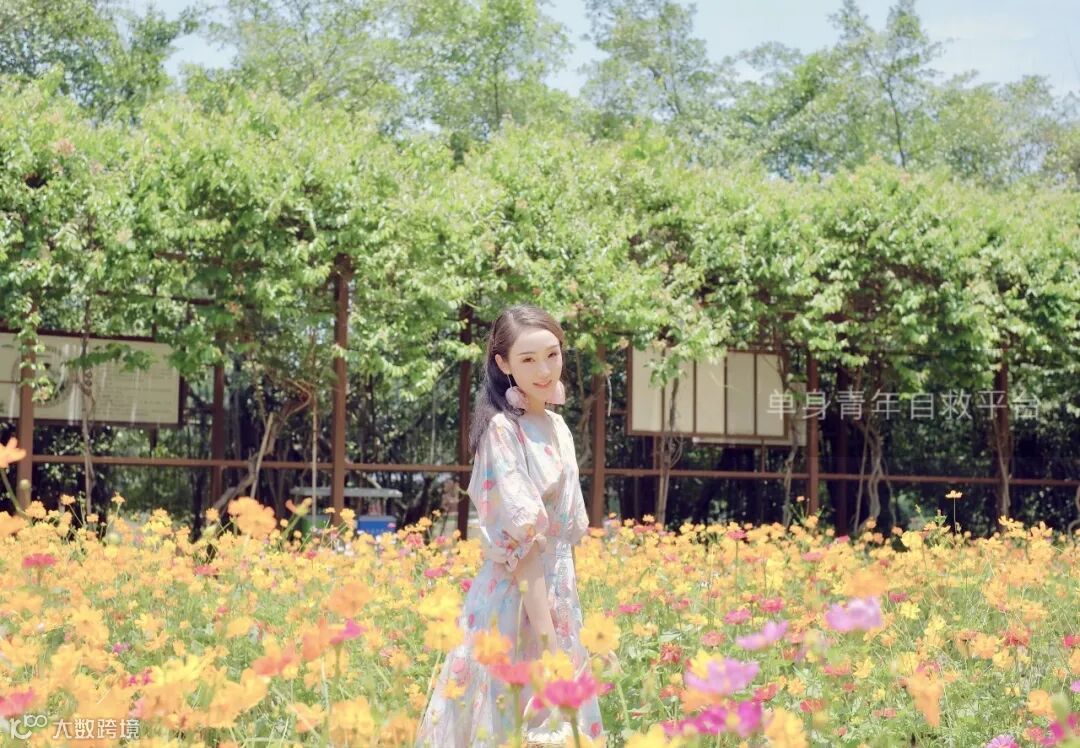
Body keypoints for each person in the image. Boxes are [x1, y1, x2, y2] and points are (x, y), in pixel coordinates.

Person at [414, 304, 606, 747]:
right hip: (514, 605)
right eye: (528, 359)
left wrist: (565, 628)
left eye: (553, 354)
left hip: (556, 599)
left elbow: (561, 541)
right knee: (511, 726)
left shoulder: (559, 427)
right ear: (503, 364)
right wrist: (550, 644)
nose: (545, 370)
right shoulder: (503, 431)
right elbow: (524, 547)